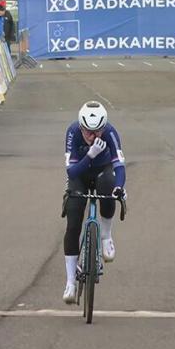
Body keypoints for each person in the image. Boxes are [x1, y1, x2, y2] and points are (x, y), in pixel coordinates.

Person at [62, 101, 126, 304]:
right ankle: (71, 282)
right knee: (73, 222)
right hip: (79, 174)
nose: (92, 136)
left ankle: (106, 237)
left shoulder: (110, 133)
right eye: (87, 132)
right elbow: (71, 171)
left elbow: (120, 167)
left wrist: (119, 187)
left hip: (102, 171)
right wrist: (90, 155)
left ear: (103, 127)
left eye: (97, 131)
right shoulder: (72, 132)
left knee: (109, 190)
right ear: (80, 127)